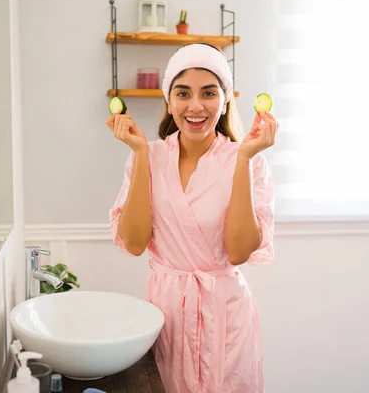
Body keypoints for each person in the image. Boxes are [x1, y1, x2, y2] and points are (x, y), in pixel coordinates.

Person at [105, 43, 278, 393]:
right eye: (183, 93)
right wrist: (139, 153)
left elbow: (239, 251)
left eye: (209, 93)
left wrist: (243, 159)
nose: (195, 106)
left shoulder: (248, 160)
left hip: (226, 313)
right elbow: (136, 243)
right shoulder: (148, 156)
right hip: (167, 313)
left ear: (225, 100)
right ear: (169, 101)